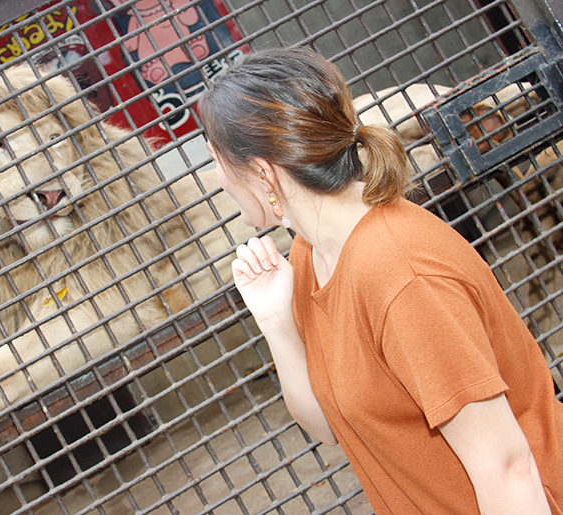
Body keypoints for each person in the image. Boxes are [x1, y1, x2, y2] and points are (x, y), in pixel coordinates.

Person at [199, 46, 563, 514]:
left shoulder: (400, 273)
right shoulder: (311, 253)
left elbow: (508, 469)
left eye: (218, 161)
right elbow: (329, 425)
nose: (216, 179)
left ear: (263, 173)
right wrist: (277, 322)